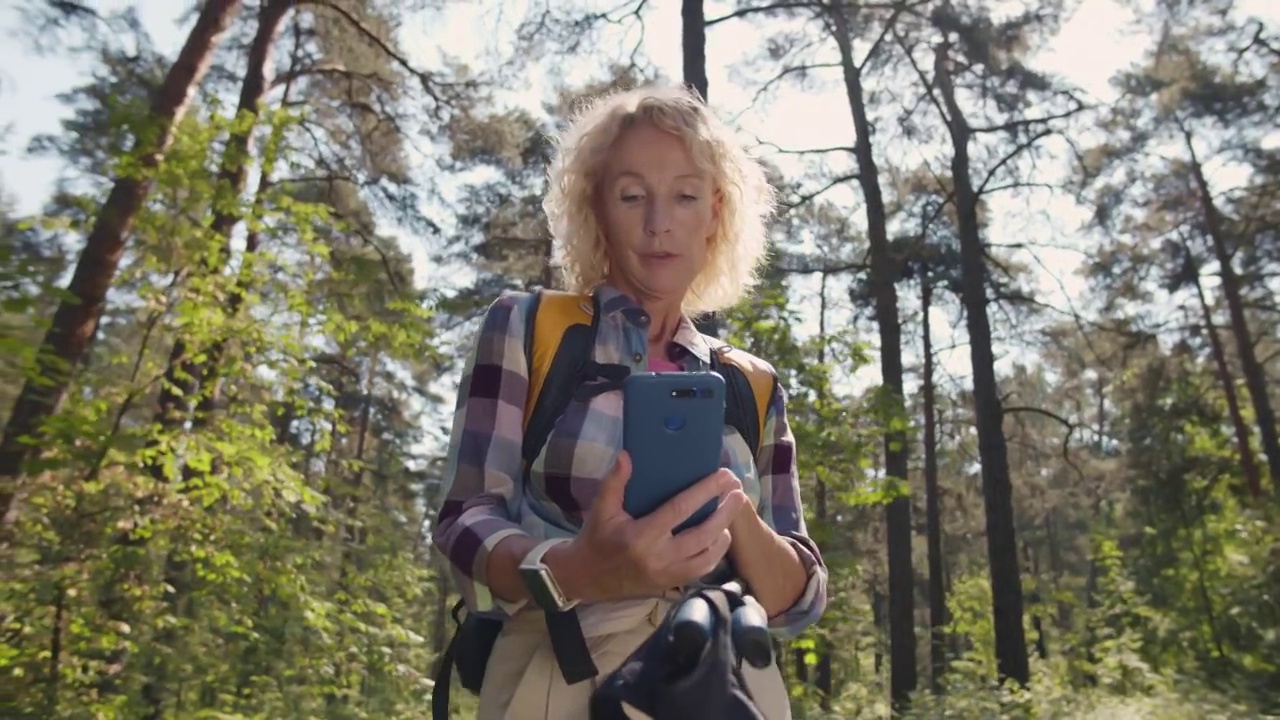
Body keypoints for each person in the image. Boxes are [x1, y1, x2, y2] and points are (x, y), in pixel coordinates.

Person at [431, 83, 828, 720]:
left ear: (715, 214)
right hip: (558, 676)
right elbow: (463, 522)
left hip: (722, 686)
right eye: (632, 195)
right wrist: (575, 569)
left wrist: (734, 514)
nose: (658, 222)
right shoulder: (530, 328)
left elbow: (798, 600)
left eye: (685, 196)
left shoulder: (752, 385)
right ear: (597, 208)